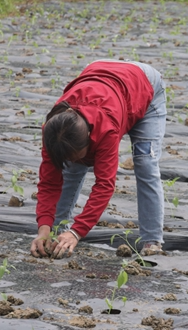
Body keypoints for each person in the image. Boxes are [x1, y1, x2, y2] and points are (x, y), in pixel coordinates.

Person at [30, 60, 167, 259]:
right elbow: (49, 182)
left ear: (90, 138)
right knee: (72, 168)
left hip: (143, 83)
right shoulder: (54, 131)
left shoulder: (106, 130)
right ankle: (58, 233)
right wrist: (44, 229)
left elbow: (104, 185)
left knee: (145, 163)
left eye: (81, 154)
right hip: (103, 75)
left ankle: (153, 241)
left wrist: (78, 231)